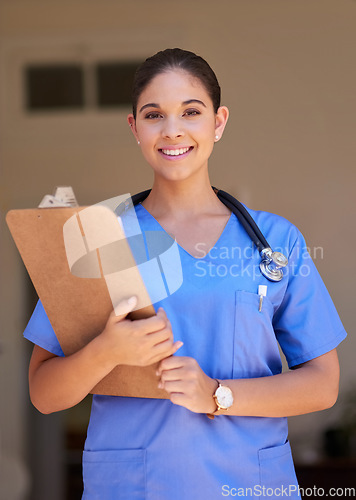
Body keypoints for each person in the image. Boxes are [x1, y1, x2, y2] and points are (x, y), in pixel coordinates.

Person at [24, 48, 347, 499]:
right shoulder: (95, 238)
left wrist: (217, 394)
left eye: (191, 112)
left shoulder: (276, 241)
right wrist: (105, 352)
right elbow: (43, 392)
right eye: (154, 114)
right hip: (133, 487)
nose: (172, 130)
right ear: (134, 127)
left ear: (218, 121)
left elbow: (323, 384)